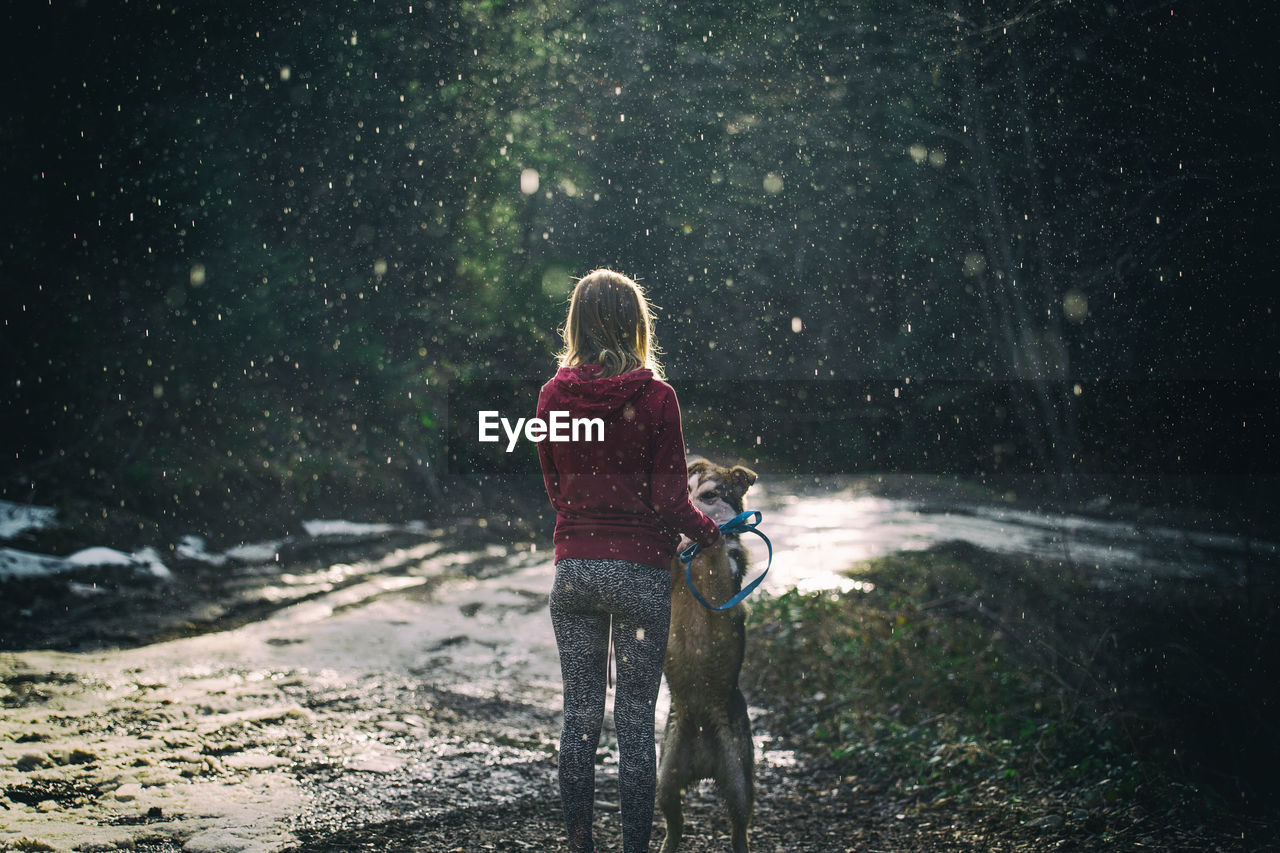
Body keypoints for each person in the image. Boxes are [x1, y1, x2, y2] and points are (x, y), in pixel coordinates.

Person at [537, 269, 723, 853]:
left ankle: (578, 845)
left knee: (580, 716)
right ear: (637, 324)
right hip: (640, 575)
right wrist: (708, 533)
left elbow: (556, 488)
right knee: (636, 721)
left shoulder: (551, 396)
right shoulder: (657, 398)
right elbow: (671, 501)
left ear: (577, 325)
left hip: (574, 573)